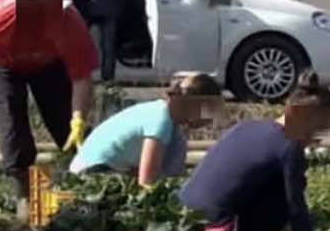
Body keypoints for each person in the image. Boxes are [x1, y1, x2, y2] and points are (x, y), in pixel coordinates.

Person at [177, 71, 330, 231]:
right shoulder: (289, 146)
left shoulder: (247, 127)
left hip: (181, 228)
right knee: (282, 197)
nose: (316, 142)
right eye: (320, 134)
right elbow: (295, 208)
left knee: (272, 185)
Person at [0, 0, 98, 217]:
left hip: (49, 65)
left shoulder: (69, 20)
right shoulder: (1, 20)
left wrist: (78, 118)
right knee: (11, 125)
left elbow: (81, 76)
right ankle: (23, 195)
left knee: (65, 123)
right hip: (5, 67)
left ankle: (87, 185)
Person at [69, 73, 223, 187]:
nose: (209, 120)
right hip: (91, 174)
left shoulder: (164, 116)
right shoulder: (161, 119)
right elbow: (147, 181)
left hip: (102, 170)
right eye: (209, 112)